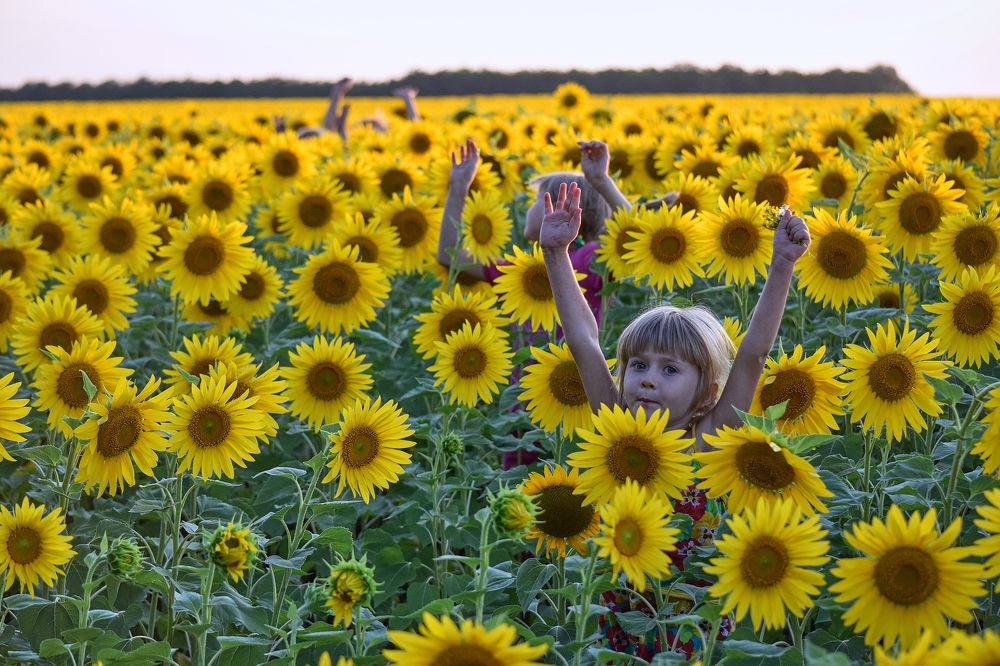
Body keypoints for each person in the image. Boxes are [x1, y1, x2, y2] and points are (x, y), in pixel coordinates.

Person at [540, 181, 811, 659]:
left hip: (691, 629)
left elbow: (753, 354)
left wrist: (782, 265)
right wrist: (556, 253)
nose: (648, 379)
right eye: (638, 365)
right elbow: (583, 341)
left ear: (708, 391)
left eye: (670, 370)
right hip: (621, 623)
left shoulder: (708, 438)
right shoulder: (617, 428)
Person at [437, 138, 635, 323]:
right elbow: (449, 257)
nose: (529, 208)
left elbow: (635, 238)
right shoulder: (522, 270)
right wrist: (458, 187)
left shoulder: (589, 259)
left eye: (536, 200)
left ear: (558, 208)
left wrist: (601, 180)